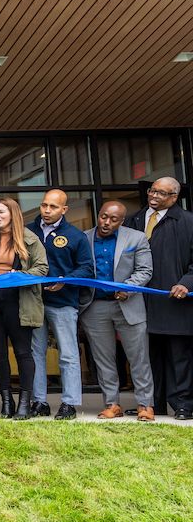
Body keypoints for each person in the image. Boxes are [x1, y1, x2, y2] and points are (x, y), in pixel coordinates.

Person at [0, 198, 48, 418]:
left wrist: (20, 276)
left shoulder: (30, 239)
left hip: (19, 302)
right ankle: (7, 402)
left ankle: (25, 403)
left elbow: (42, 268)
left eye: (1, 212)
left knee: (24, 353)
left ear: (12, 214)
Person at [81, 200, 155, 422]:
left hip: (128, 305)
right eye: (104, 216)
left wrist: (127, 289)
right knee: (104, 360)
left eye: (113, 219)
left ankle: (145, 405)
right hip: (95, 306)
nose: (106, 222)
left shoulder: (136, 238)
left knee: (139, 358)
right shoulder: (84, 238)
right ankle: (112, 404)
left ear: (122, 221)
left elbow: (145, 270)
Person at [125, 177, 193, 419]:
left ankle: (184, 404)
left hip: (175, 302)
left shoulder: (188, 222)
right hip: (141, 302)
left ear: (174, 197)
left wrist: (186, 283)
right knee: (148, 356)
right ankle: (153, 403)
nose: (153, 196)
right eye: (152, 191)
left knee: (179, 356)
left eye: (161, 193)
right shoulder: (133, 220)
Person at [26, 189, 94, 420]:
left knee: (68, 354)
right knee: (36, 353)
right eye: (44, 205)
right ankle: (39, 401)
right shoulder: (28, 231)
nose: (46, 210)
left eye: (53, 207)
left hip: (63, 303)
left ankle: (69, 403)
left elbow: (86, 268)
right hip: (34, 302)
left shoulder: (76, 236)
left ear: (64, 209)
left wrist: (64, 281)